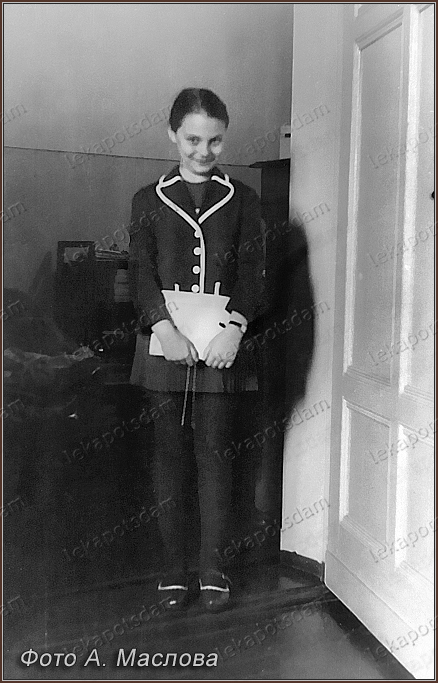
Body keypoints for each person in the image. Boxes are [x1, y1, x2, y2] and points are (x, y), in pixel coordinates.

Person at [128, 88, 266, 612]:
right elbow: (140, 271)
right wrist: (163, 330)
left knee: (215, 457)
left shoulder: (244, 199)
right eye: (192, 140)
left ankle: (212, 568)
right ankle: (172, 570)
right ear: (172, 135)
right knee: (168, 457)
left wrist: (235, 329)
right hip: (164, 344)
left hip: (222, 348)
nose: (203, 151)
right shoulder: (148, 199)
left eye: (215, 141)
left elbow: (253, 272)